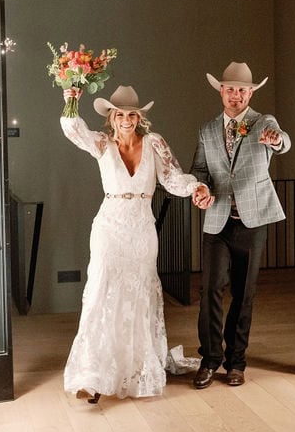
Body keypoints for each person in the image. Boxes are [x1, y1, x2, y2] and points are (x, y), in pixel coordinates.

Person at [60, 84, 210, 403]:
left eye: (131, 114)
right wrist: (71, 99)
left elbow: (172, 178)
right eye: (119, 114)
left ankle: (135, 370)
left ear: (139, 117)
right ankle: (94, 373)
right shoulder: (101, 143)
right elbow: (73, 129)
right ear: (111, 118)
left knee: (138, 296)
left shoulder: (154, 143)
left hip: (142, 226)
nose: (125, 119)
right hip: (109, 225)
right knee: (102, 291)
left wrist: (195, 187)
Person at [189, 61, 290, 388]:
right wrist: (200, 189)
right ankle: (210, 358)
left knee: (244, 294)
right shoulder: (206, 130)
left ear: (250, 93)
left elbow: (282, 141)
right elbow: (200, 171)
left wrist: (276, 140)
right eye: (230, 89)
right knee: (210, 291)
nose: (236, 95)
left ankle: (236, 361)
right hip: (217, 220)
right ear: (221, 90)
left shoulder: (263, 123)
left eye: (242, 90)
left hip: (252, 220)